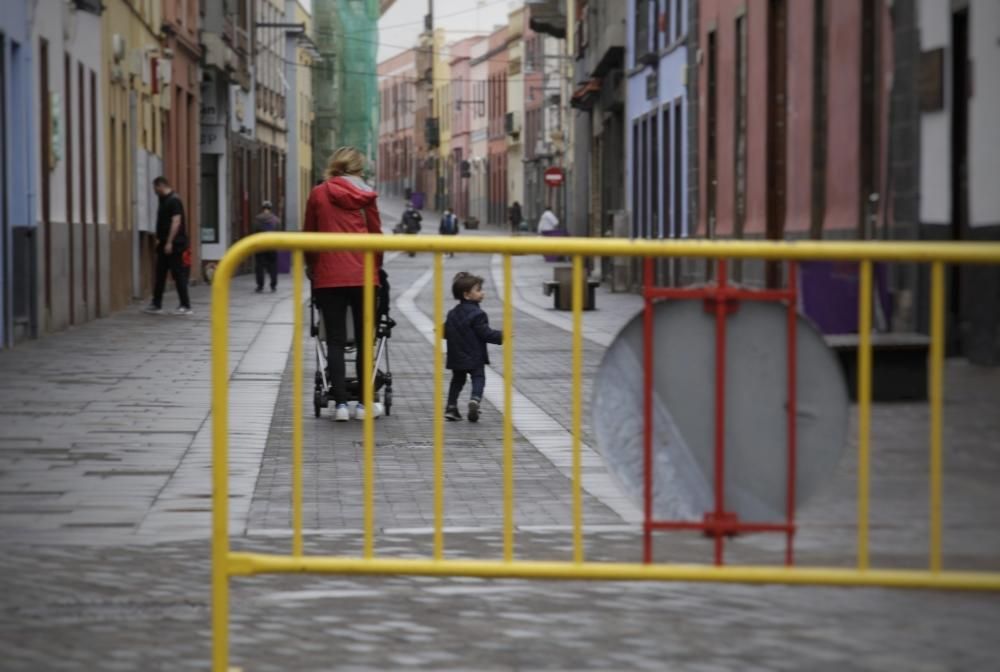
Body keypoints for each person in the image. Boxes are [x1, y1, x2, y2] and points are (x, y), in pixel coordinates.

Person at [304, 146, 384, 422]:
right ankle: (363, 404)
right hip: (363, 276)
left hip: (329, 276)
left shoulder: (318, 194)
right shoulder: (367, 197)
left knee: (335, 340)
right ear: (358, 169)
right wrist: (377, 268)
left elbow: (309, 236)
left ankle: (339, 405)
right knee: (364, 340)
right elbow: (377, 236)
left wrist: (312, 266)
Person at [444, 272, 503, 423]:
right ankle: (475, 400)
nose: (482, 292)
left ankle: (451, 407)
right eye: (478, 290)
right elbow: (485, 333)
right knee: (478, 378)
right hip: (474, 355)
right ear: (467, 295)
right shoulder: (478, 314)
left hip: (456, 355)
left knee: (457, 380)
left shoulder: (452, 313)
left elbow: (445, 331)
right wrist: (502, 336)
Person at [143, 176, 192, 315]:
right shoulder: (163, 199)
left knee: (178, 274)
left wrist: (170, 241)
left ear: (160, 185)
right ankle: (156, 303)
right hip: (164, 243)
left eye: (155, 188)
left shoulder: (174, 200)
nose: (154, 191)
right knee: (160, 274)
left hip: (175, 245)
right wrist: (160, 239)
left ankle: (186, 305)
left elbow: (176, 222)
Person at [254, 201, 280, 293]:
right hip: (272, 246)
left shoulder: (257, 219)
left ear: (262, 208)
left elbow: (254, 232)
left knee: (259, 266)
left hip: (260, 245)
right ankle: (273, 285)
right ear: (270, 208)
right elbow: (278, 233)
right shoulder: (276, 220)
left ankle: (260, 285)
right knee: (273, 266)